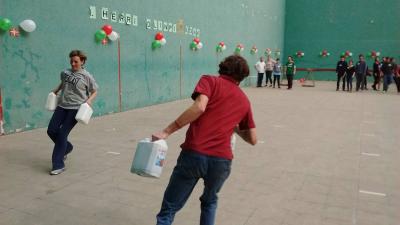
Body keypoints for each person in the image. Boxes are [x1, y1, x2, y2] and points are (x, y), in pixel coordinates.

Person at [152, 55, 257, 225]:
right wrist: (234, 127)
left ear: (222, 67)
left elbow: (200, 106)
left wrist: (167, 131)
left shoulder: (210, 81)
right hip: (222, 161)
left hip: (194, 154)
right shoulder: (244, 100)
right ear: (242, 76)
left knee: (169, 207)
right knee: (210, 202)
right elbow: (253, 139)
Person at [47, 50, 98, 175]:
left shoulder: (87, 76)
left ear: (82, 61)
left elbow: (95, 90)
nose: (73, 64)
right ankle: (67, 147)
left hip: (75, 108)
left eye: (76, 61)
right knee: (51, 130)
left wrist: (89, 101)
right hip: (62, 105)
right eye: (71, 61)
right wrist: (55, 90)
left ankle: (58, 165)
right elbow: (63, 84)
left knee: (62, 134)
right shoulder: (65, 73)